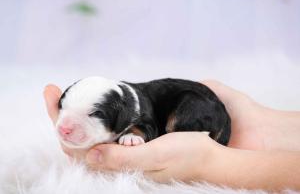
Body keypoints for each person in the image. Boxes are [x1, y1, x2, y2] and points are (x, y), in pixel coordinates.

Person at [43, 80, 300, 191]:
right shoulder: (122, 101)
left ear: (120, 116)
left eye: (93, 115)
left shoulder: (134, 114)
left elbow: (148, 128)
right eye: (65, 108)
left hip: (192, 105)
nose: (65, 126)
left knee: (185, 109)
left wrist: (210, 162)